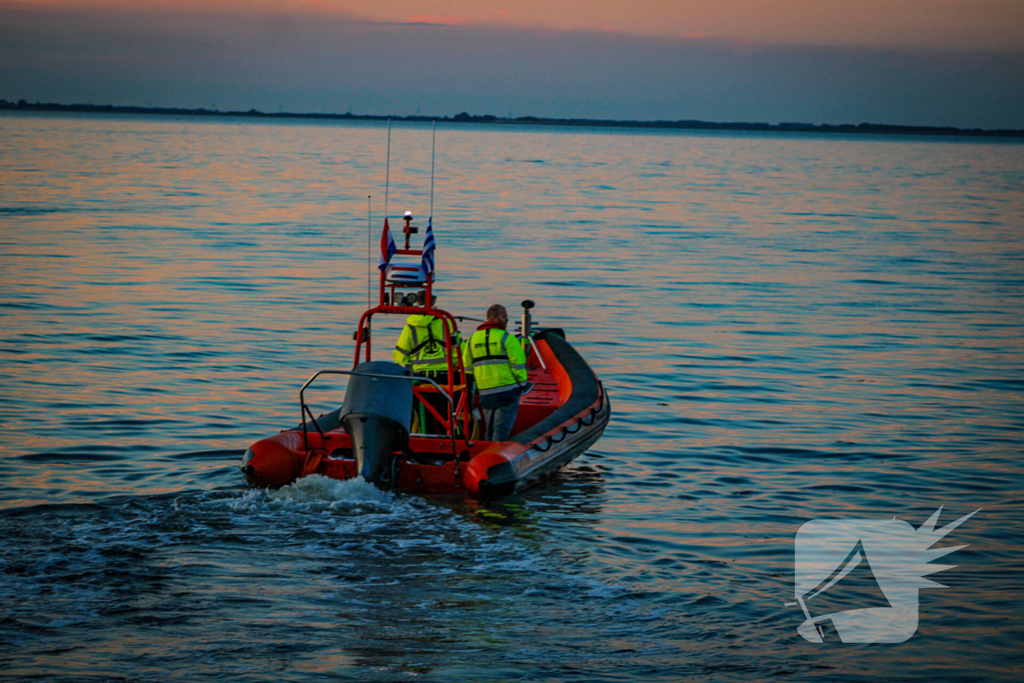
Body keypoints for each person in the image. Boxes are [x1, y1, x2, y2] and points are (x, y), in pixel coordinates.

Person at [463, 304, 530, 441]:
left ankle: (487, 453)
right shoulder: (508, 339)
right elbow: (518, 367)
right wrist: (523, 385)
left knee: (490, 430)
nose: (507, 320)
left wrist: (474, 388)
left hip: (486, 393)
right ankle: (496, 458)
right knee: (500, 431)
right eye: (504, 317)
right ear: (494, 318)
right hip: (508, 392)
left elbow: (467, 368)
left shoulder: (472, 340)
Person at [392, 292, 459, 384]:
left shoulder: (410, 328)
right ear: (433, 301)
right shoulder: (447, 324)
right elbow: (459, 351)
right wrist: (453, 364)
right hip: (445, 376)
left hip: (419, 377)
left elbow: (400, 355)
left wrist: (411, 372)